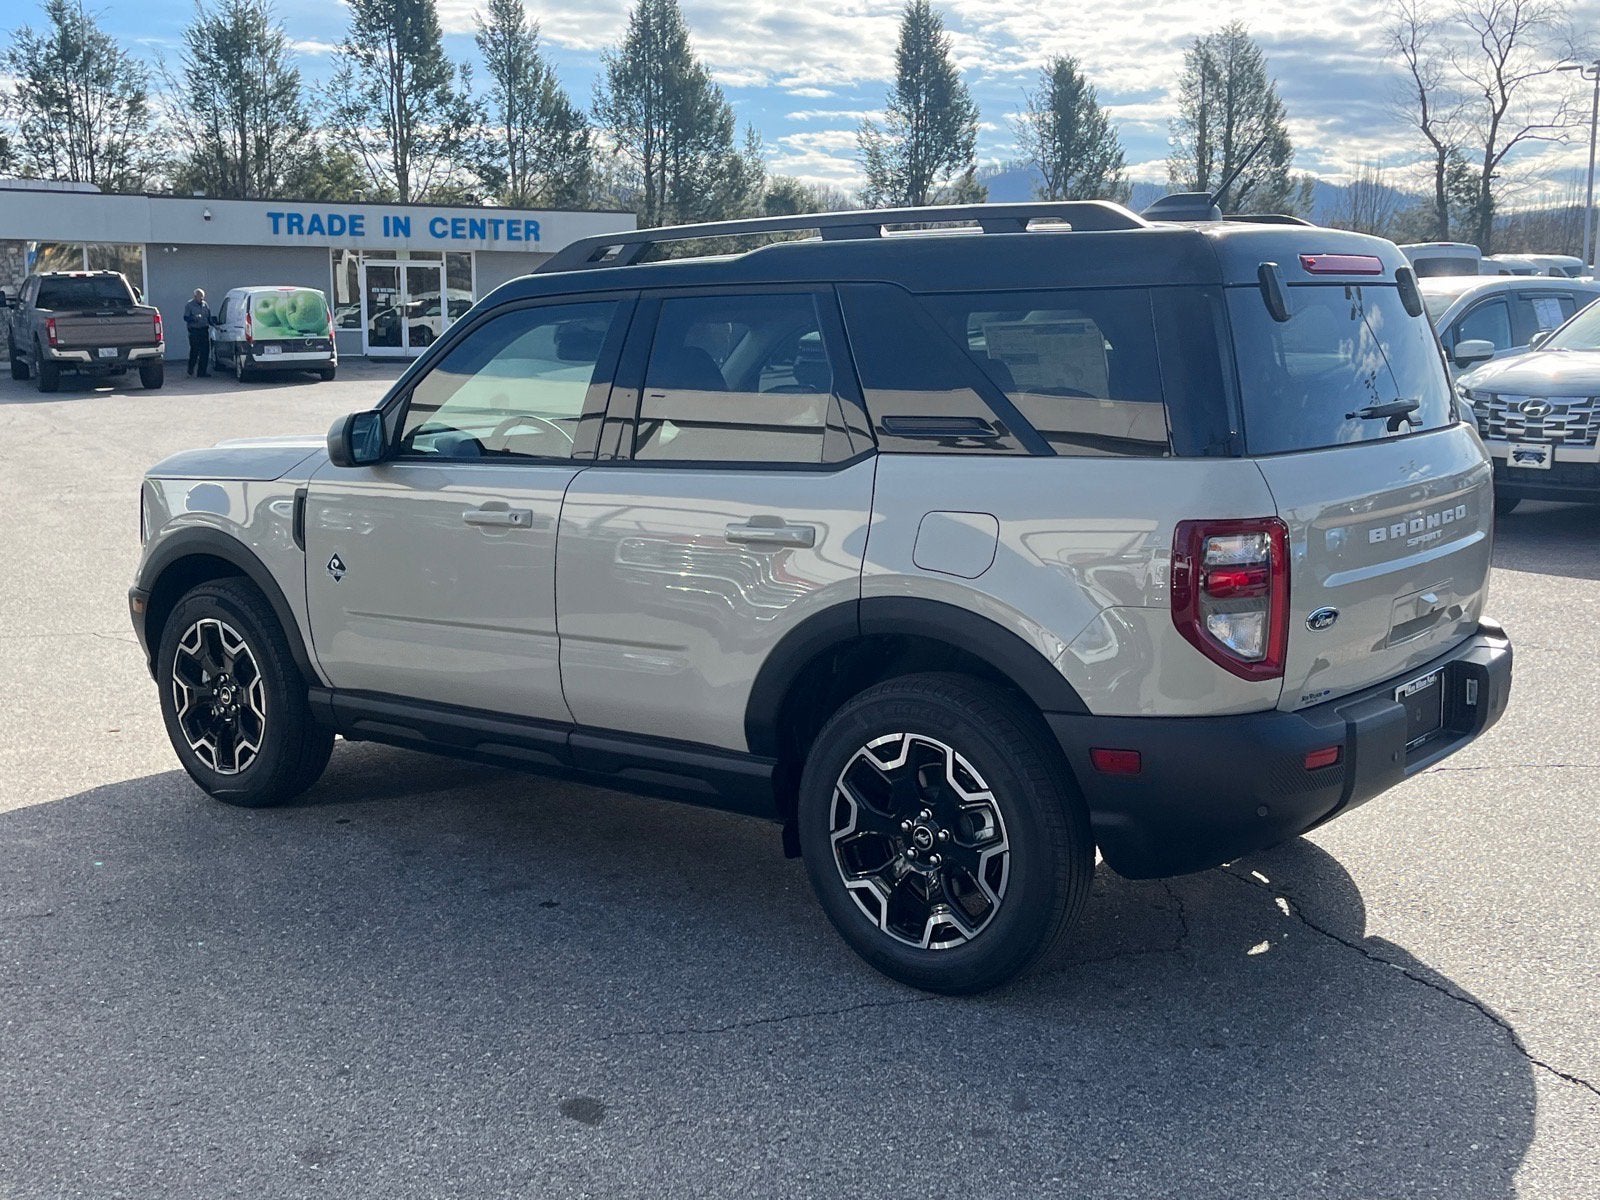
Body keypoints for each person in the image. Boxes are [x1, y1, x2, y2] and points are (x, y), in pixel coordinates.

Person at [182, 288, 214, 377]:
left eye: (203, 297)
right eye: (200, 297)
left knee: (205, 352)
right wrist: (193, 318)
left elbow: (209, 318)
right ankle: (191, 368)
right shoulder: (189, 305)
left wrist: (214, 325)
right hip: (194, 331)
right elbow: (185, 317)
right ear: (195, 296)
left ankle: (202, 372)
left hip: (204, 330)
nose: (202, 299)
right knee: (194, 351)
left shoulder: (205, 305)